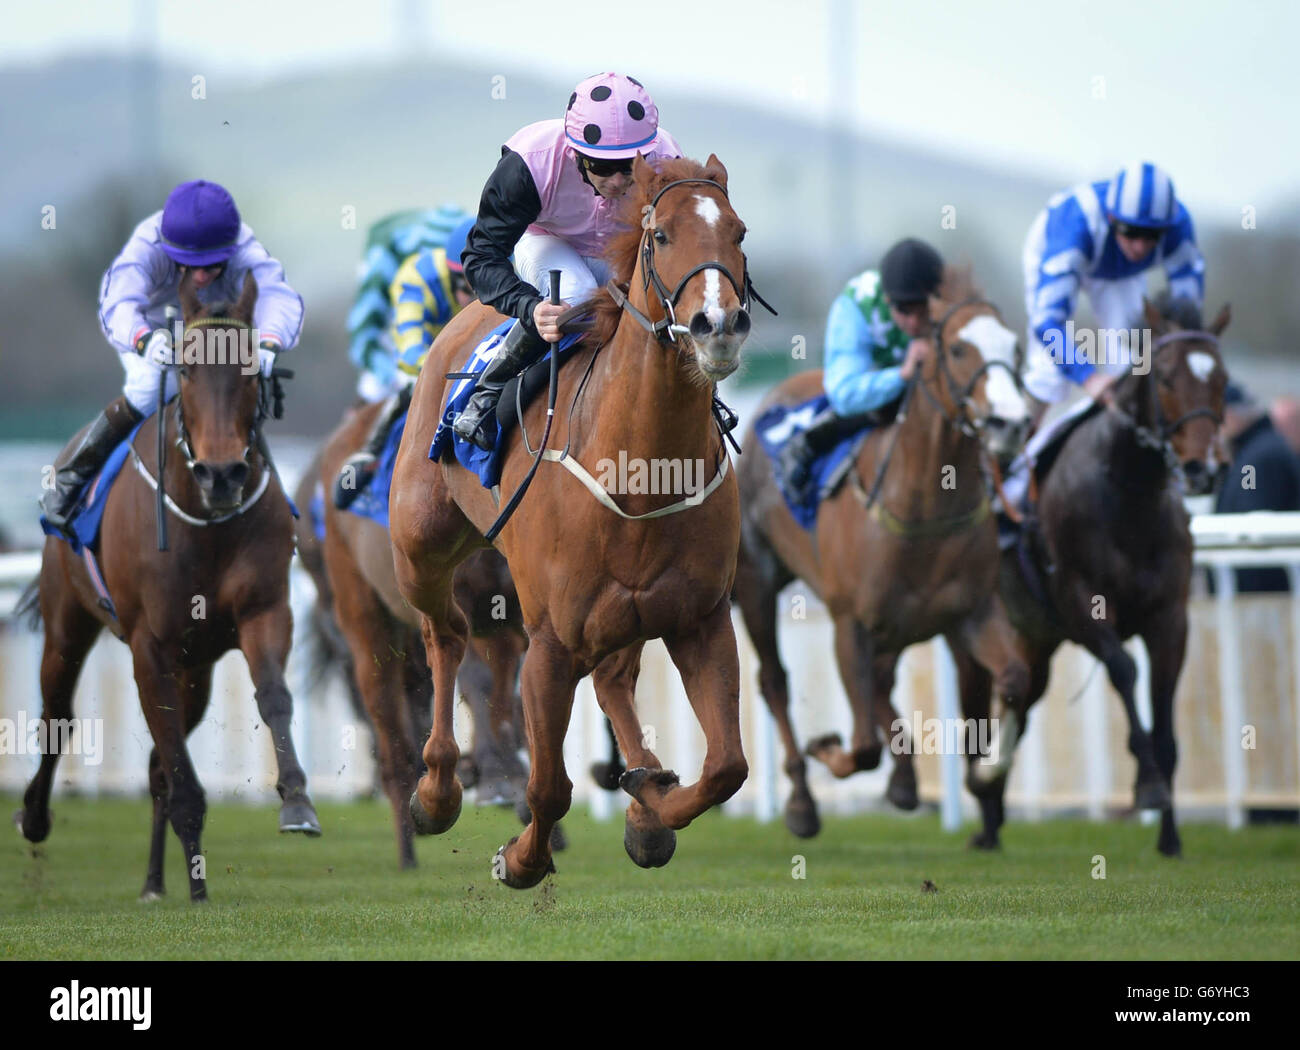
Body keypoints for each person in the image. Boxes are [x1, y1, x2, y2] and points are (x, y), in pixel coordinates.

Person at [42, 179, 304, 536]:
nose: (199, 276)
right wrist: (143, 341)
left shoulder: (244, 246)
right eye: (188, 265)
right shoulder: (147, 246)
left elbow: (279, 296)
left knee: (238, 388)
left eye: (211, 266)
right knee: (151, 387)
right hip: (152, 333)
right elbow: (118, 304)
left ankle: (273, 498)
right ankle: (74, 475)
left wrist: (270, 343)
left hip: (216, 338)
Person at [452, 72, 682, 450]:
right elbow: (480, 256)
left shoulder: (667, 162)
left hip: (621, 251)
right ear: (575, 154)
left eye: (628, 167)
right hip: (548, 241)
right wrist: (530, 307)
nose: (617, 181)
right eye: (603, 168)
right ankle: (487, 390)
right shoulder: (529, 164)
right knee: (576, 294)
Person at [999, 162, 1207, 519]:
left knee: (1134, 363)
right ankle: (1007, 472)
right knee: (1052, 374)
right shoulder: (1074, 228)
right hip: (1058, 246)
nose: (1140, 246)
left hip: (1119, 276)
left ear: (1166, 229)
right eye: (1130, 232)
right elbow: (1048, 323)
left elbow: (1187, 319)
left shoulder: (1179, 227)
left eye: (1151, 236)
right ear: (1112, 218)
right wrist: (1088, 377)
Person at [779, 238, 942, 503]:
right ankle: (805, 451)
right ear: (888, 300)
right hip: (875, 394)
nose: (914, 321)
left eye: (923, 310)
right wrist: (901, 375)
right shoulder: (856, 305)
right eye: (903, 309)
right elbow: (844, 395)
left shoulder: (951, 301)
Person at [333, 215, 477, 508]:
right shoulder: (417, 279)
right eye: (467, 287)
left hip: (467, 351)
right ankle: (369, 454)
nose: (476, 300)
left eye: (483, 284)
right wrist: (456, 374)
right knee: (401, 384)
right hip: (415, 349)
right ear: (451, 277)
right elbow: (411, 356)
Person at [1212, 382, 1300, 593]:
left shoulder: (1254, 459)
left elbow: (1249, 512)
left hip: (1263, 588)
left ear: (1230, 414)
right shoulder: (1258, 450)